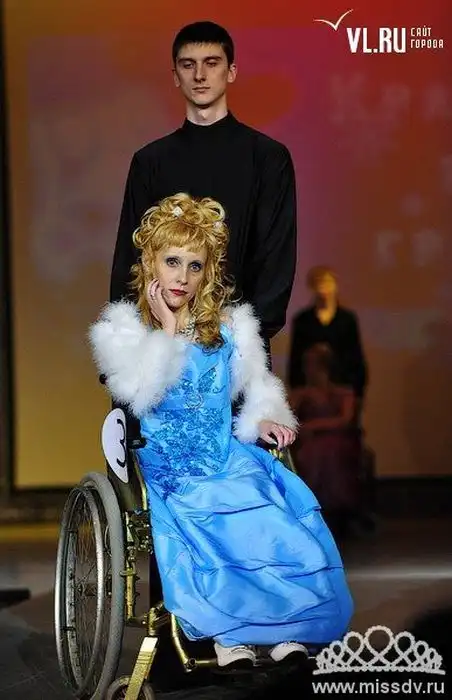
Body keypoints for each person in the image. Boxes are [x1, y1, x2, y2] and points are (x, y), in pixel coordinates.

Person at [90, 194, 353, 669]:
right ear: (151, 262)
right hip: (168, 468)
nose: (181, 277)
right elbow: (141, 397)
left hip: (222, 454)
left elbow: (257, 384)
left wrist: (265, 416)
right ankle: (230, 635)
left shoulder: (230, 328)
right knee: (211, 518)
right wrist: (169, 331)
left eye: (194, 266)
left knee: (268, 515)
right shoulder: (125, 330)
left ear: (206, 272)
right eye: (172, 262)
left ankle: (283, 629)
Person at [110, 21, 297, 345]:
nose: (200, 75)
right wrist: (132, 345)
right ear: (175, 76)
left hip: (237, 349)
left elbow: (275, 259)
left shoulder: (268, 158)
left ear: (231, 71)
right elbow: (131, 259)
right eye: (188, 65)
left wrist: (240, 339)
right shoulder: (150, 161)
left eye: (211, 63)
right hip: (160, 344)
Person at [290, 344, 363, 538]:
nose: (308, 370)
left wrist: (314, 425)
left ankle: (339, 511)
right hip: (310, 441)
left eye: (312, 364)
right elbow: (290, 419)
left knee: (330, 450)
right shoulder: (301, 394)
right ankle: (317, 508)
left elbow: (345, 420)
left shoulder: (344, 392)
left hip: (339, 439)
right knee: (313, 451)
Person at [288, 266, 368, 413]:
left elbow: (355, 357)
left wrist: (357, 392)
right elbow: (296, 358)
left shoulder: (347, 319)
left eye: (328, 282)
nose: (324, 287)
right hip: (311, 394)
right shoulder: (303, 320)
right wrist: (298, 391)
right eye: (320, 282)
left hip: (343, 388)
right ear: (312, 287)